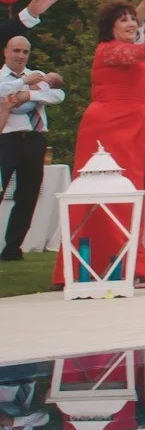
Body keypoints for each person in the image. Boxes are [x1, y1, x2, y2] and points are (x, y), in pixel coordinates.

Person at [0, 34, 63, 260]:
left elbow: (58, 94)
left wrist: (29, 94)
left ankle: (12, 247)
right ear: (6, 51)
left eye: (25, 52)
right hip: (6, 139)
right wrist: (23, 84)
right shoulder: (6, 78)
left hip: (34, 139)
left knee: (28, 194)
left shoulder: (36, 76)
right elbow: (2, 91)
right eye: (16, 50)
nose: (20, 56)